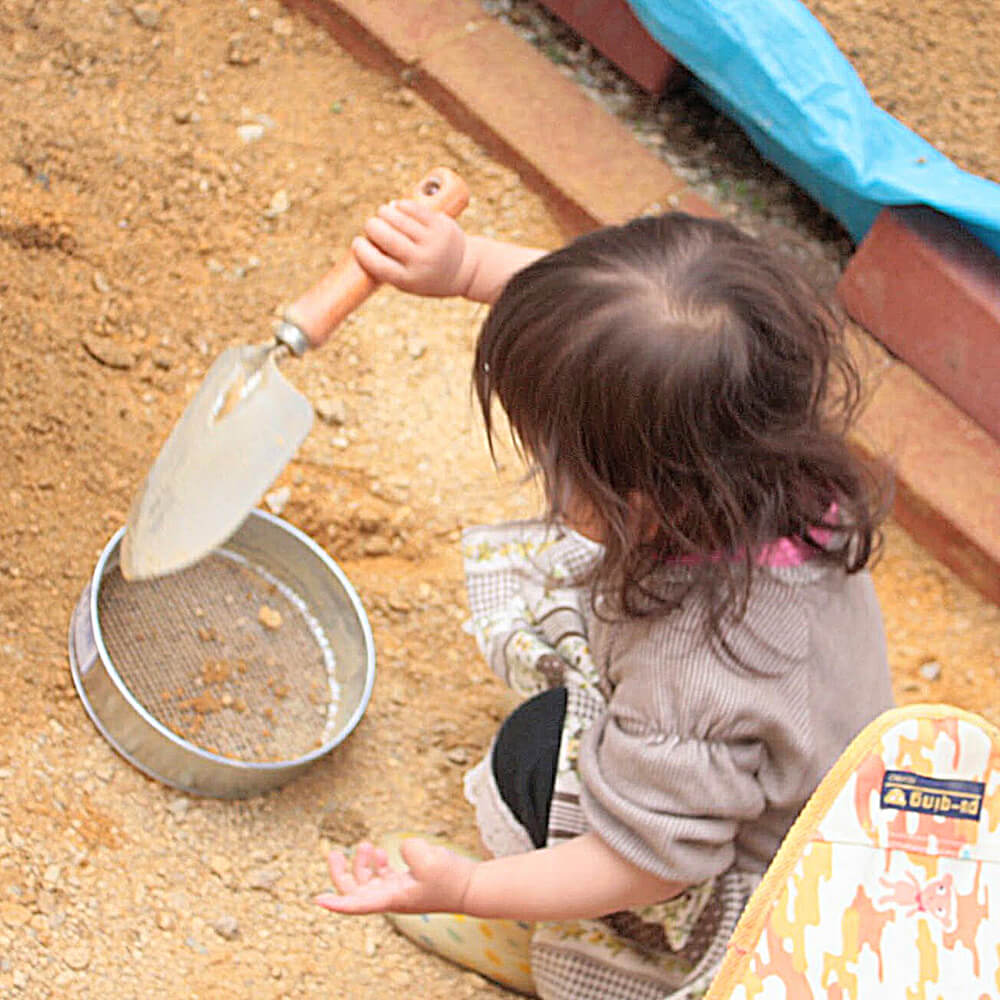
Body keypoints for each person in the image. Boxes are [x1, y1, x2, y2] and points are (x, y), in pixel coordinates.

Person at [315, 199, 895, 999]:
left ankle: (562, 948)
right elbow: (625, 343)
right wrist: (469, 268)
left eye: (555, 459)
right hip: (828, 798)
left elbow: (648, 863)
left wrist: (472, 893)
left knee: (532, 751)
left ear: (641, 500)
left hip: (753, 895)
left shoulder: (704, 670)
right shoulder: (769, 437)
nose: (547, 477)